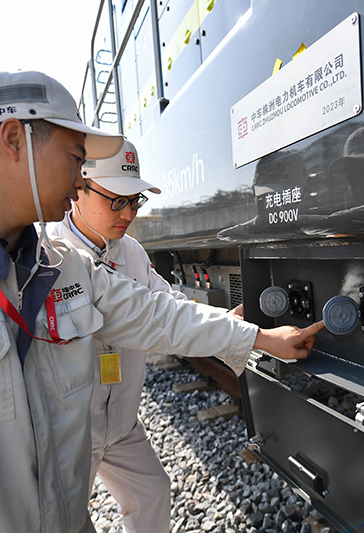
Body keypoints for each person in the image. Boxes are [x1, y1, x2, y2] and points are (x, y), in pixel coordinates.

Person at [0, 70, 324, 533]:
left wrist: (257, 336)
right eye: (76, 159)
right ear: (14, 139)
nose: (79, 182)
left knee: (151, 493)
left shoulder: (63, 266)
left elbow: (157, 312)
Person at [47, 139, 244, 533]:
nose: (129, 213)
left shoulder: (132, 252)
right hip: (69, 434)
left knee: (152, 492)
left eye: (135, 200)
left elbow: (168, 305)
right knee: (64, 522)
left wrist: (228, 322)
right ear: (78, 189)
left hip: (120, 425)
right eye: (117, 200)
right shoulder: (49, 255)